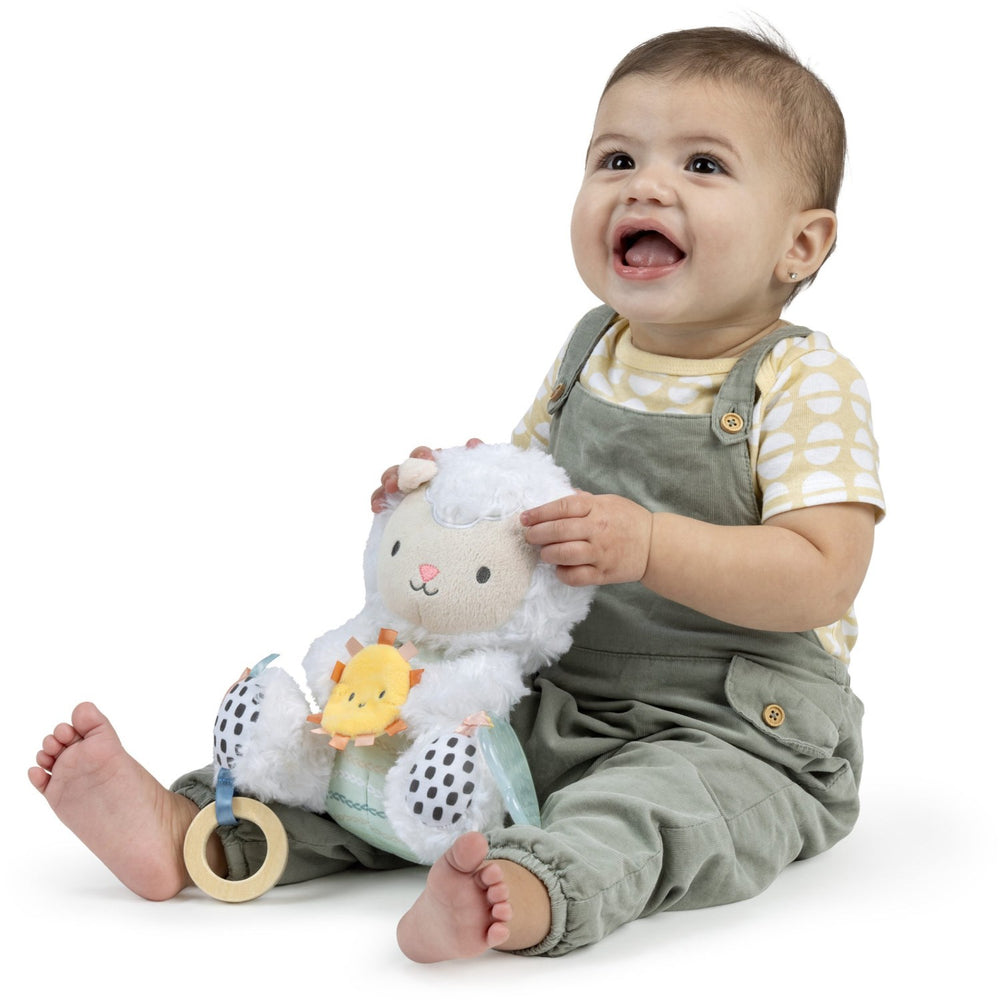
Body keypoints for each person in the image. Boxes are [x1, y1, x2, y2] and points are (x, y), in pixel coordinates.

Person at [29, 26, 884, 962]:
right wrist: (448, 497)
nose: (644, 187)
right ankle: (208, 828)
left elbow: (823, 575)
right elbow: (524, 505)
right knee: (392, 742)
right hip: (560, 692)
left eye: (703, 164)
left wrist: (649, 545)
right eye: (616, 159)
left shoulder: (800, 380)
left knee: (652, 808)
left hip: (733, 723)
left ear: (801, 243)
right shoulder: (590, 348)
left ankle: (530, 888)